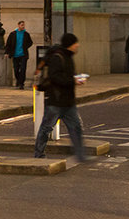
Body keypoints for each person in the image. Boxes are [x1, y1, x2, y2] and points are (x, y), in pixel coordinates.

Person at [33, 32, 87, 162]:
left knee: (77, 128)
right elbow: (55, 77)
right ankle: (39, 154)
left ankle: (80, 155)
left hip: (68, 102)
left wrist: (75, 79)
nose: (77, 45)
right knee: (46, 128)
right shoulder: (58, 57)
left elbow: (66, 76)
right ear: (70, 45)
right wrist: (72, 81)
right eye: (75, 43)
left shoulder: (68, 57)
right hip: (56, 101)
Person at [5, 20, 33, 90]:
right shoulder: (13, 34)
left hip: (23, 54)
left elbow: (30, 42)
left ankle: (21, 83)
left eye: (23, 25)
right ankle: (18, 80)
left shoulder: (26, 34)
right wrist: (7, 52)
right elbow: (8, 44)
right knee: (16, 69)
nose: (23, 26)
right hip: (15, 55)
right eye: (21, 25)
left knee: (23, 69)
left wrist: (25, 47)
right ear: (18, 25)